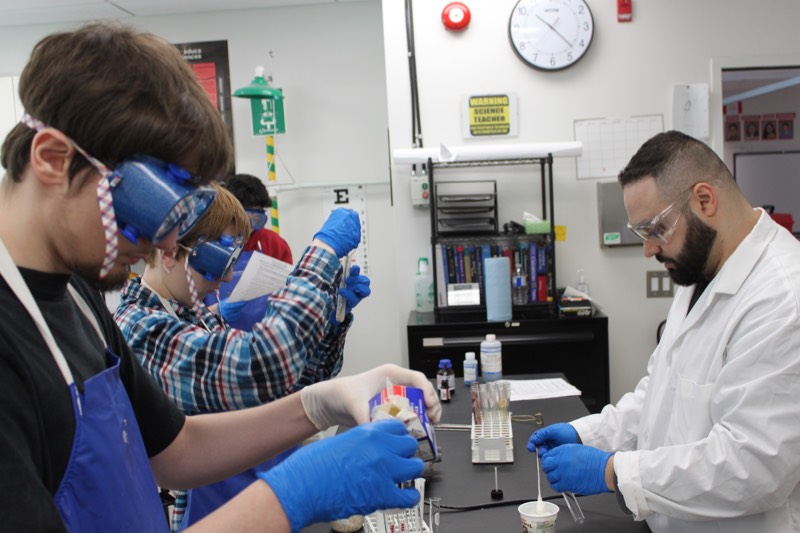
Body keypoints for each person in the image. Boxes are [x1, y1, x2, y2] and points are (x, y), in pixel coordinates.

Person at [0, 22, 440, 532]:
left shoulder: (78, 296)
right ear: (54, 159)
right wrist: (296, 493)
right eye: (148, 210)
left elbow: (176, 449)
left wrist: (320, 403)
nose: (166, 246)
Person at [528, 130, 800, 532]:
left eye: (656, 229)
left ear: (704, 200)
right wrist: (588, 434)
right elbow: (659, 395)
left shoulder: (782, 298)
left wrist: (613, 471)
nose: (648, 250)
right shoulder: (700, 271)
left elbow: (753, 466)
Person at [115, 185, 369, 528]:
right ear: (169, 251)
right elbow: (263, 370)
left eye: (233, 261)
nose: (228, 277)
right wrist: (321, 253)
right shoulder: (138, 330)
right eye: (218, 262)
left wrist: (331, 319)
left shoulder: (197, 314)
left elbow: (289, 389)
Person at [224, 172, 293, 262]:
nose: (249, 227)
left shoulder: (274, 243)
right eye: (244, 218)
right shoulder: (210, 240)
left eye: (256, 219)